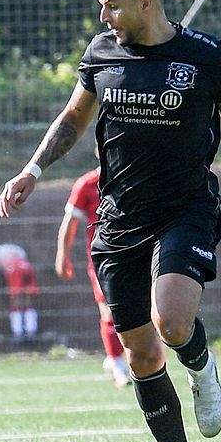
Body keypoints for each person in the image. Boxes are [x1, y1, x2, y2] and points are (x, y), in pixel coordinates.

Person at [0, 0, 221, 442]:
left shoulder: (207, 57)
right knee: (141, 356)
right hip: (119, 219)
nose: (103, 17)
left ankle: (201, 365)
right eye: (101, 5)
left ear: (146, 2)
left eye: (111, 6)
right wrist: (33, 168)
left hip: (187, 208)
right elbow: (73, 118)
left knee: (172, 320)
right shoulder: (101, 54)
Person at [55, 157, 130, 388]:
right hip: (102, 260)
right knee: (108, 312)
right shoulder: (87, 184)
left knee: (136, 313)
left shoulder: (131, 179)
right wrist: (62, 255)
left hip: (134, 255)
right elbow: (70, 221)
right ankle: (117, 364)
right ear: (99, 150)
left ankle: (122, 357)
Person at [0, 243, 39, 343]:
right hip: (26, 267)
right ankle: (31, 331)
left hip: (15, 269)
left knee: (16, 301)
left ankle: (18, 333)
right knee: (28, 301)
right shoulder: (19, 254)